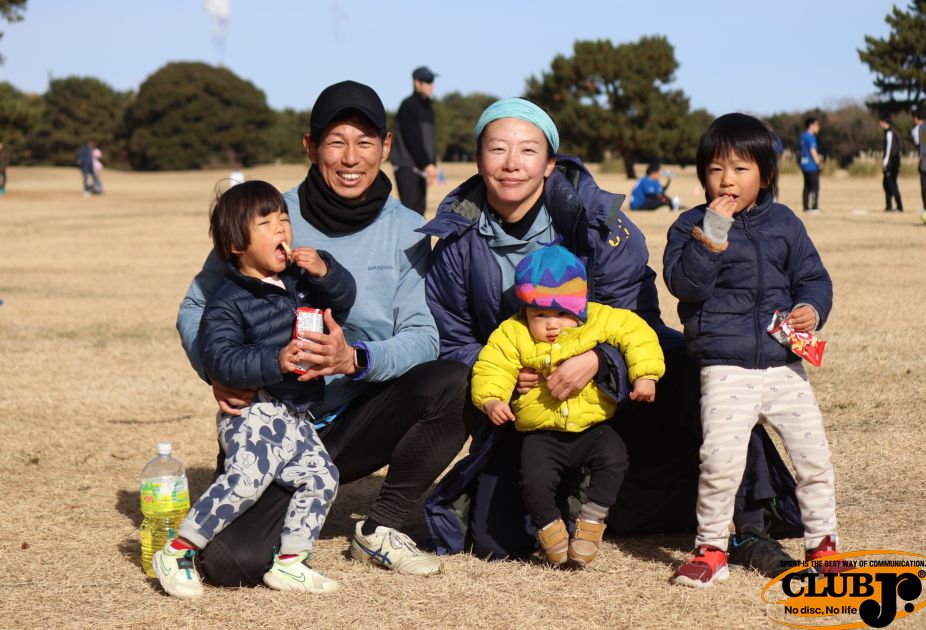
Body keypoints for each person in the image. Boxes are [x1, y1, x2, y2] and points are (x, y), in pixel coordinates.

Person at [420, 98, 802, 577]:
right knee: (498, 539)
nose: (512, 163)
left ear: (550, 163)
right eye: (498, 149)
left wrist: (601, 360)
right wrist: (508, 375)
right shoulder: (456, 244)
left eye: (528, 151)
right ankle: (607, 503)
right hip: (532, 409)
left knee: (703, 369)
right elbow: (452, 338)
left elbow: (639, 318)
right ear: (479, 160)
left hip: (611, 392)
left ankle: (749, 521)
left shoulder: (597, 222)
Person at [176, 80, 468, 586]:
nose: (351, 158)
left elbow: (423, 335)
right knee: (231, 563)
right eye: (336, 141)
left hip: (358, 416)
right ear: (310, 147)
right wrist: (217, 371)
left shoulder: (407, 228)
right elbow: (196, 306)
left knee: (455, 380)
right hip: (272, 421)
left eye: (365, 142)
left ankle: (381, 528)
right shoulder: (266, 218)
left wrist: (354, 358)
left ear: (386, 147)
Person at [664, 113, 843, 588]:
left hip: (785, 364)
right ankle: (710, 549)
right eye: (716, 169)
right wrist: (712, 234)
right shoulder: (689, 226)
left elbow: (813, 277)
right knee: (720, 464)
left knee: (814, 459)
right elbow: (686, 285)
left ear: (765, 175)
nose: (727, 180)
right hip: (725, 368)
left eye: (741, 169)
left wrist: (810, 309)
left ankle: (823, 545)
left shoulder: (785, 222)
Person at [156, 180, 356, 598]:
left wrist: (327, 271)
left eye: (284, 219)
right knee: (246, 479)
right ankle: (178, 552)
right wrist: (274, 360)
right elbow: (221, 359)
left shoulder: (300, 280)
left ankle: (291, 563)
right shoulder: (227, 300)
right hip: (254, 413)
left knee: (322, 478)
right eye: (265, 224)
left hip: (297, 414)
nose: (281, 229)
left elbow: (341, 301)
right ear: (235, 245)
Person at [471, 243, 665, 566]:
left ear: (580, 308)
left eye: (563, 314)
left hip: (592, 427)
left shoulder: (599, 319)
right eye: (541, 315)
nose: (552, 325)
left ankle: (592, 520)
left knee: (615, 458)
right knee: (533, 481)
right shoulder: (512, 333)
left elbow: (637, 334)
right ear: (525, 311)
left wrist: (645, 376)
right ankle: (550, 529)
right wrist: (492, 399)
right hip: (541, 433)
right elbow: (493, 365)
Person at [391, 66, 439, 215]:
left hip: (422, 166)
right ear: (417, 83)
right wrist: (427, 164)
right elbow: (412, 138)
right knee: (410, 212)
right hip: (407, 165)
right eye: (427, 82)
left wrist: (432, 164)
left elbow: (429, 140)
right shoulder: (408, 106)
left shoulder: (428, 108)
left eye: (432, 82)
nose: (431, 86)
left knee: (420, 211)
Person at [879, 116, 903, 212]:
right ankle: (889, 206)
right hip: (891, 162)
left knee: (892, 184)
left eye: (881, 122)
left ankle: (900, 206)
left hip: (892, 163)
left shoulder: (889, 133)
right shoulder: (888, 132)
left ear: (885, 122)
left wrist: (885, 162)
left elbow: (889, 149)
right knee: (886, 184)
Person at [798, 117, 822, 212]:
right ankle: (814, 207)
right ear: (811, 125)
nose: (818, 127)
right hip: (811, 165)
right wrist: (818, 163)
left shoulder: (802, 136)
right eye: (817, 125)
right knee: (815, 186)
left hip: (804, 164)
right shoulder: (811, 137)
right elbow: (813, 150)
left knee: (807, 186)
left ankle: (806, 207)